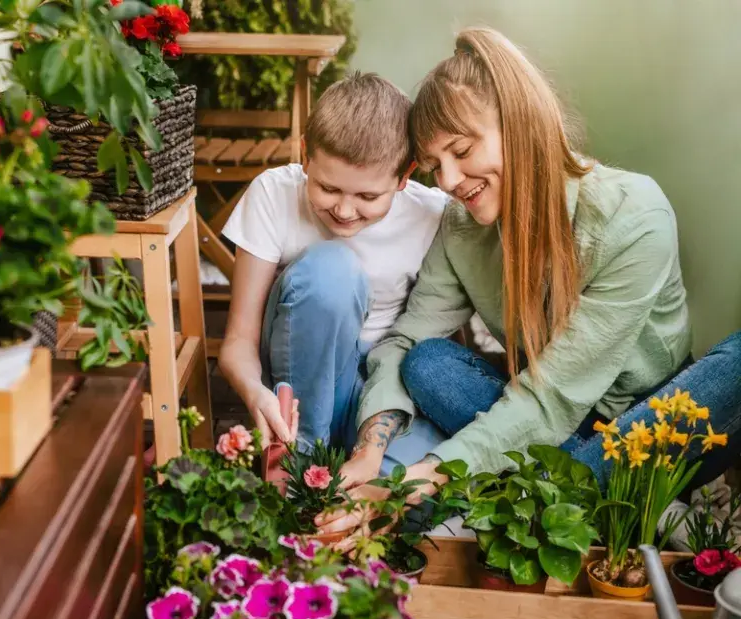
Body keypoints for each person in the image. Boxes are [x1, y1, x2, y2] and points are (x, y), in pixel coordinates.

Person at [317, 27, 741, 541]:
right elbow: (405, 341)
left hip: (647, 423)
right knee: (426, 362)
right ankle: (615, 501)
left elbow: (552, 400)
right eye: (433, 166)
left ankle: (575, 492)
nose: (448, 179)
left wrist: (414, 485)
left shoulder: (634, 214)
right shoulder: (460, 227)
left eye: (461, 149)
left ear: (517, 120)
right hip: (549, 423)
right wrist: (371, 445)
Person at [218, 71, 449, 472]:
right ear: (305, 153)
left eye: (367, 196)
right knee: (333, 269)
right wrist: (255, 393)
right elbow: (238, 339)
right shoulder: (273, 194)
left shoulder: (432, 216)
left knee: (404, 493)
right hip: (299, 376)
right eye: (327, 188)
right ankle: (297, 462)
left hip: (383, 387)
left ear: (405, 175)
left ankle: (347, 466)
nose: (344, 210)